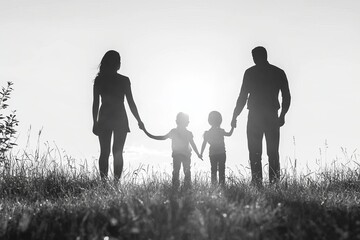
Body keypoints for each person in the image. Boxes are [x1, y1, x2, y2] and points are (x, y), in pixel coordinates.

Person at [231, 46, 291, 186]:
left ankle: (258, 182)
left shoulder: (250, 73)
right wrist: (282, 115)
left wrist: (235, 115)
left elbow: (242, 97)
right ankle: (273, 183)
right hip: (271, 116)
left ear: (257, 57)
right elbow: (287, 97)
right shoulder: (278, 72)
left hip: (256, 116)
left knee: (255, 152)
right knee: (272, 152)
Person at [92, 50, 144, 181]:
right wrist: (139, 120)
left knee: (105, 153)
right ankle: (115, 183)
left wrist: (95, 122)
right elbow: (131, 102)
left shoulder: (99, 80)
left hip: (104, 117)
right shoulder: (124, 80)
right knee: (117, 153)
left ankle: (104, 183)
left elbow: (96, 104)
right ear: (117, 64)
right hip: (120, 117)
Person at [142, 112, 202, 188]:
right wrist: (148, 133)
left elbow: (193, 144)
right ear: (186, 122)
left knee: (180, 172)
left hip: (182, 155)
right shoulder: (177, 132)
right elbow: (163, 137)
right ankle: (182, 188)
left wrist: (198, 154)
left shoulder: (182, 132)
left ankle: (181, 188)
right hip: (181, 155)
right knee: (181, 172)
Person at [200, 111, 234, 186]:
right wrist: (233, 127)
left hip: (212, 154)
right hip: (221, 153)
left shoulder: (207, 133)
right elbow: (229, 134)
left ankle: (214, 186)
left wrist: (201, 153)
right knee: (222, 170)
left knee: (213, 170)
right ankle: (222, 186)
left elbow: (204, 144)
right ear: (220, 120)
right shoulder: (220, 131)